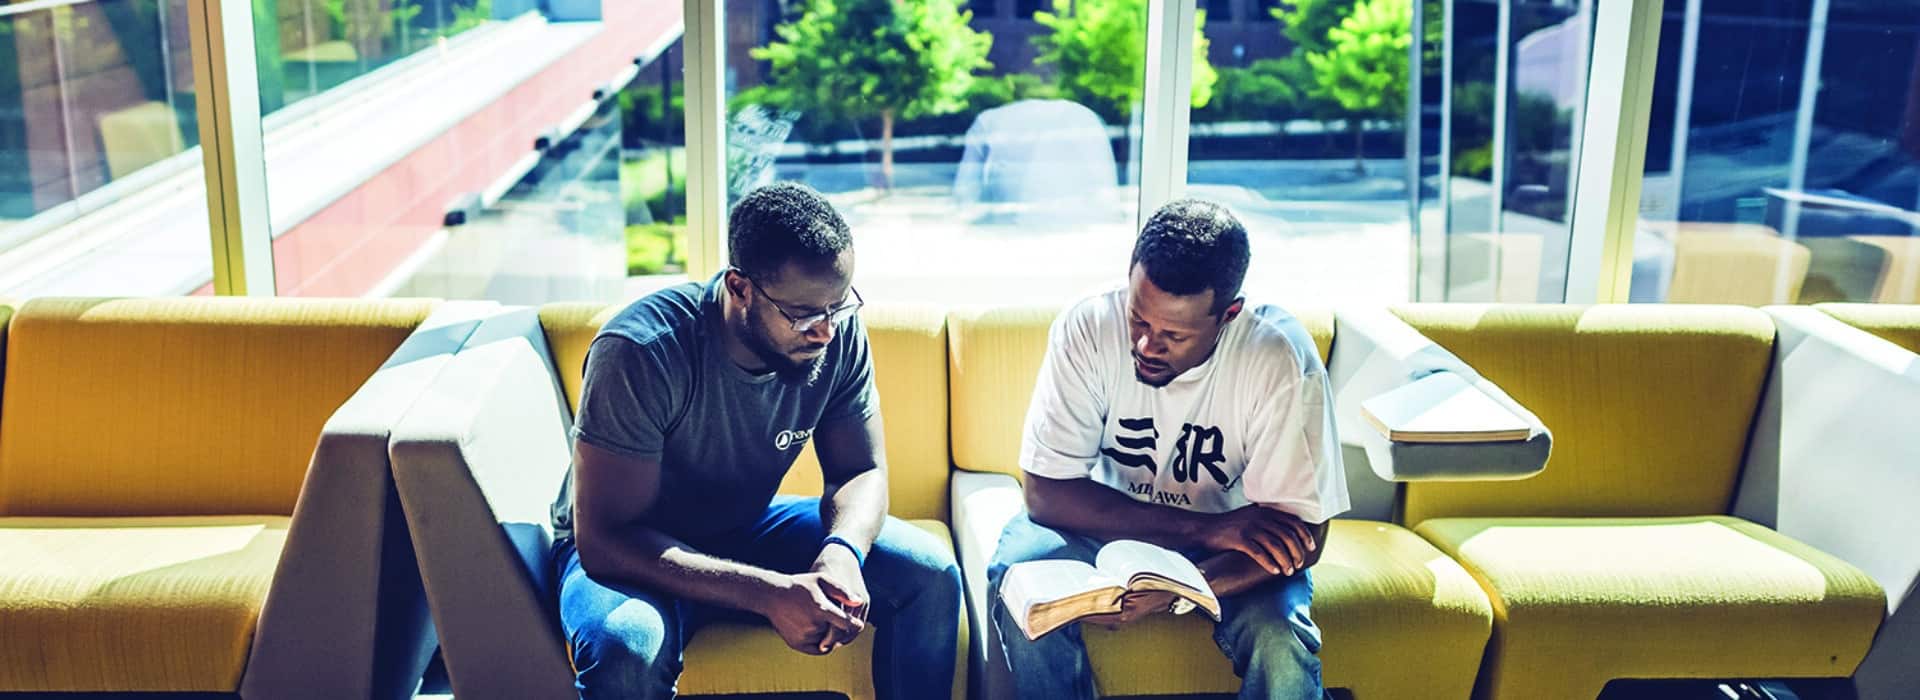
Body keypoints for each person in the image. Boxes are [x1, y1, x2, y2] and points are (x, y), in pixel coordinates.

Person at [552, 182, 962, 699]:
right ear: (739, 288)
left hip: (744, 524)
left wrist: (841, 552)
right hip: (635, 547)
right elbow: (605, 540)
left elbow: (860, 470)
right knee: (626, 647)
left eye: (840, 308)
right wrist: (767, 593)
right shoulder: (642, 352)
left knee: (930, 574)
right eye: (806, 315)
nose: (826, 333)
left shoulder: (833, 332)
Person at [988, 198, 1351, 700]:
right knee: (1019, 580)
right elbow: (1046, 495)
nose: (1144, 345)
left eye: (1173, 335)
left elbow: (1305, 536)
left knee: (1280, 641)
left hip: (1229, 550)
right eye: (1139, 319)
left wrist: (1183, 586)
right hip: (1114, 530)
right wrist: (1208, 527)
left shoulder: (1277, 358)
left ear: (1229, 314)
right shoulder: (1088, 326)